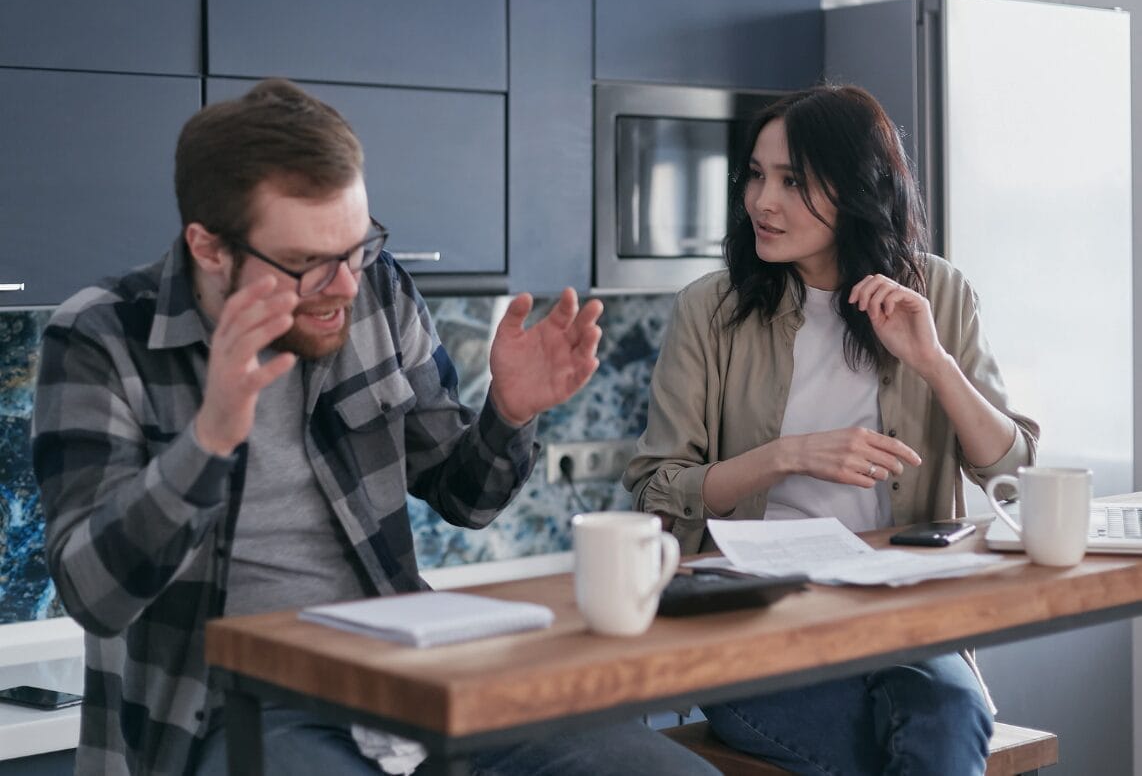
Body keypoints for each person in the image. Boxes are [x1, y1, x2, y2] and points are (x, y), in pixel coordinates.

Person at [32, 79, 720, 776]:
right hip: (225, 703)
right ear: (209, 248)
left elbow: (466, 500)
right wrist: (208, 438)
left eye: (357, 247)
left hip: (404, 671)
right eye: (307, 263)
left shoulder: (379, 290)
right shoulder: (101, 336)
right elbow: (95, 596)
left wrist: (510, 412)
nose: (346, 286)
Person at [624, 84, 1040, 775]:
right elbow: (654, 489)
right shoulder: (710, 308)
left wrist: (934, 363)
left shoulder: (937, 293)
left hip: (901, 617)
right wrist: (785, 457)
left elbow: (1014, 472)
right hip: (757, 621)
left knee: (953, 714)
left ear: (856, 189)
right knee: (904, 750)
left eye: (793, 181)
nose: (763, 201)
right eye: (756, 176)